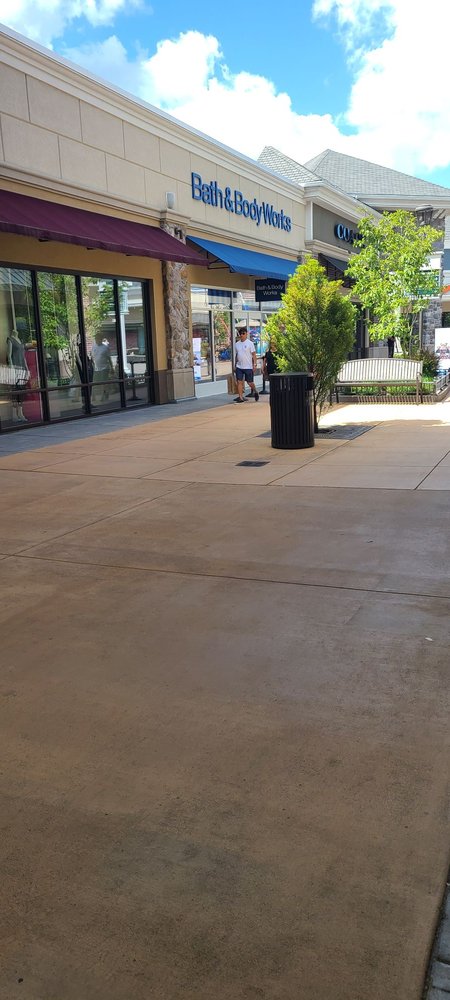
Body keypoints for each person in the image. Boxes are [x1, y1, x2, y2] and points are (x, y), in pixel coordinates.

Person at [234, 328, 259, 402]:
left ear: (246, 334)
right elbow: (237, 355)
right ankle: (241, 397)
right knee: (239, 381)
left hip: (248, 366)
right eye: (240, 334)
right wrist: (235, 365)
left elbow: (254, 354)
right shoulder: (237, 344)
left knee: (249, 382)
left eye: (243, 333)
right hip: (239, 366)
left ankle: (255, 391)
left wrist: (255, 364)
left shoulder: (250, 343)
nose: (242, 335)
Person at [91, 331, 114, 402]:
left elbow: (109, 358)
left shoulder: (105, 347)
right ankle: (94, 396)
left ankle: (103, 395)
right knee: (94, 382)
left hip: (104, 367)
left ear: (101, 339)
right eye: (96, 339)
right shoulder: (94, 346)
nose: (97, 340)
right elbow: (92, 356)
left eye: (98, 339)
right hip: (96, 368)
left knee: (103, 382)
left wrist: (112, 367)